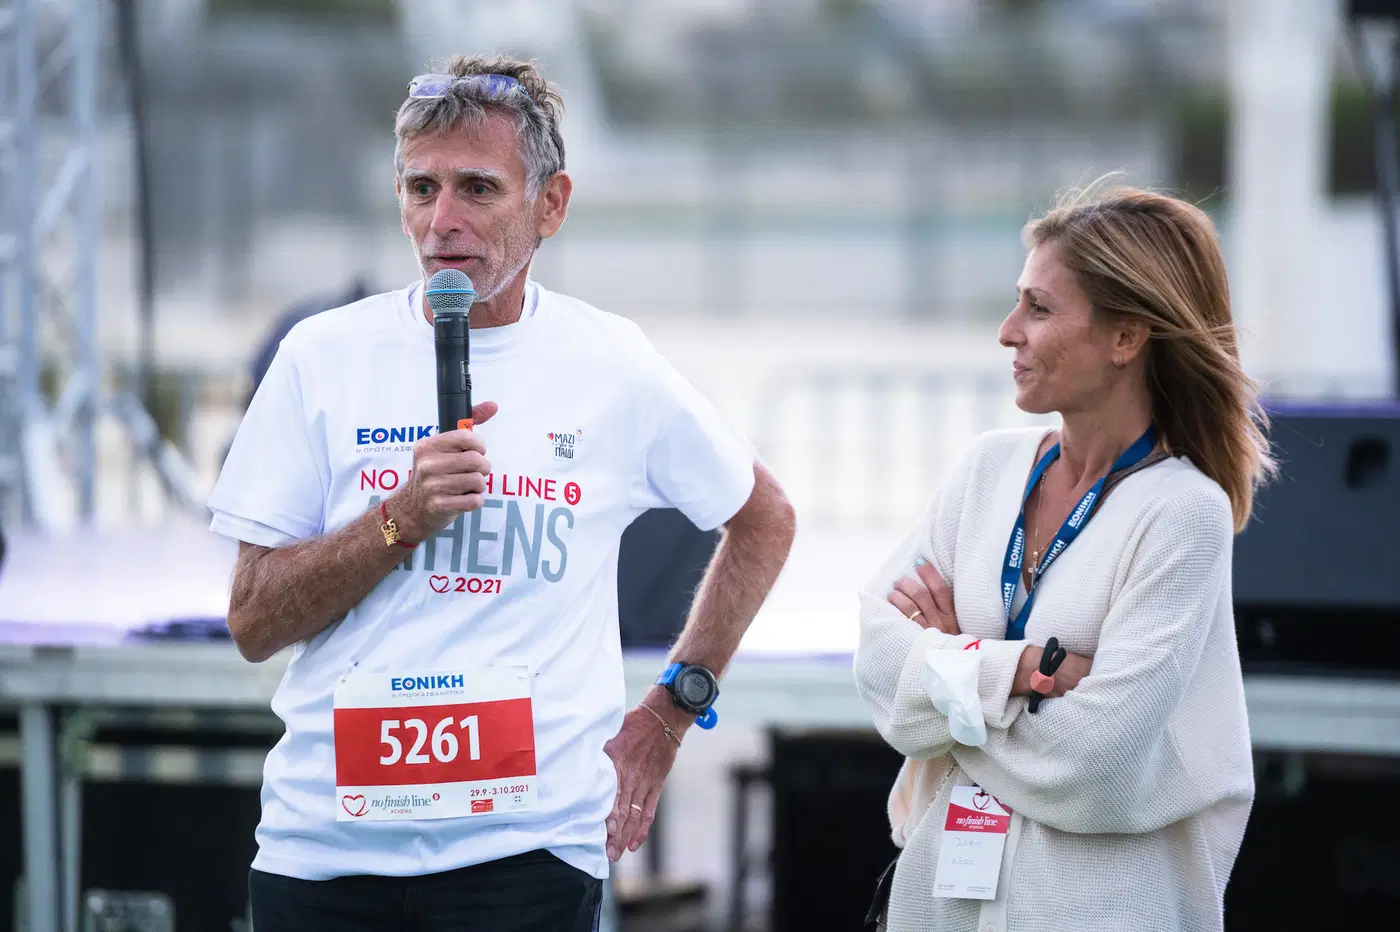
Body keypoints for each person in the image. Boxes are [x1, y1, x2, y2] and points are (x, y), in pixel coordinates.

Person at [208, 55, 795, 932]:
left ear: (551, 205)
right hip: (327, 851)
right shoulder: (320, 357)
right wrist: (398, 520)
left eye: (477, 188)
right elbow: (254, 622)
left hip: (525, 856)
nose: (442, 221)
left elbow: (764, 518)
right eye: (421, 188)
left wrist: (673, 710)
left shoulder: (610, 363)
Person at [854, 185, 1273, 932]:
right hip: (942, 907)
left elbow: (1097, 764)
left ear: (1126, 337)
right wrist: (1017, 669)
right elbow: (878, 663)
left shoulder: (1183, 512)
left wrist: (947, 673)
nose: (1007, 331)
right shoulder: (987, 469)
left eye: (1039, 308)